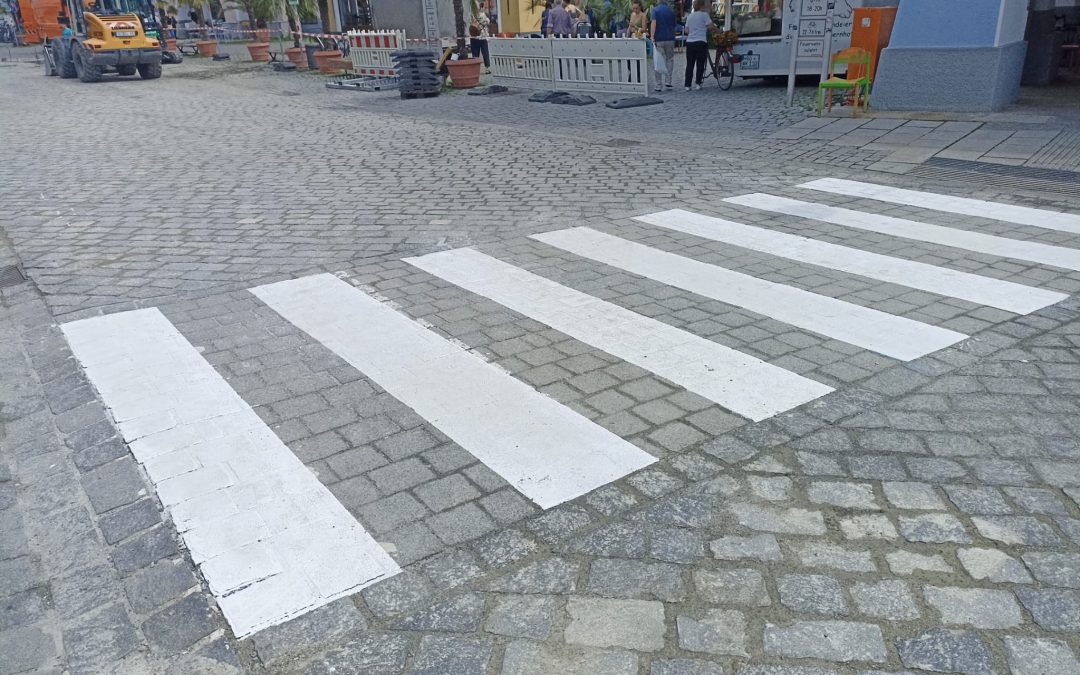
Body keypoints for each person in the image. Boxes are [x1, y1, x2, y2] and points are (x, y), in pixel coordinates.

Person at [683, 0, 711, 90]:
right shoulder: (704, 15)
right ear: (702, 6)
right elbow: (710, 26)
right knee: (700, 63)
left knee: (690, 64)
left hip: (690, 42)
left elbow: (686, 31)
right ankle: (698, 84)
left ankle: (687, 85)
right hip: (701, 41)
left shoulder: (690, 16)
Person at [650, 0, 676, 91]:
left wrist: (652, 36)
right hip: (670, 39)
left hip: (659, 39)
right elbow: (674, 25)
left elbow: (654, 23)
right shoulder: (671, 11)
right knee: (669, 59)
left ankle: (658, 84)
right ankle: (668, 81)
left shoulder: (655, 10)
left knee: (658, 61)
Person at [469, 1, 491, 73]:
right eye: (484, 7)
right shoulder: (483, 15)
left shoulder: (472, 15)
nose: (485, 8)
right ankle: (487, 69)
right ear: (481, 7)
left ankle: (475, 70)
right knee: (485, 53)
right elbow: (487, 21)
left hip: (473, 37)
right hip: (482, 37)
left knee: (475, 54)